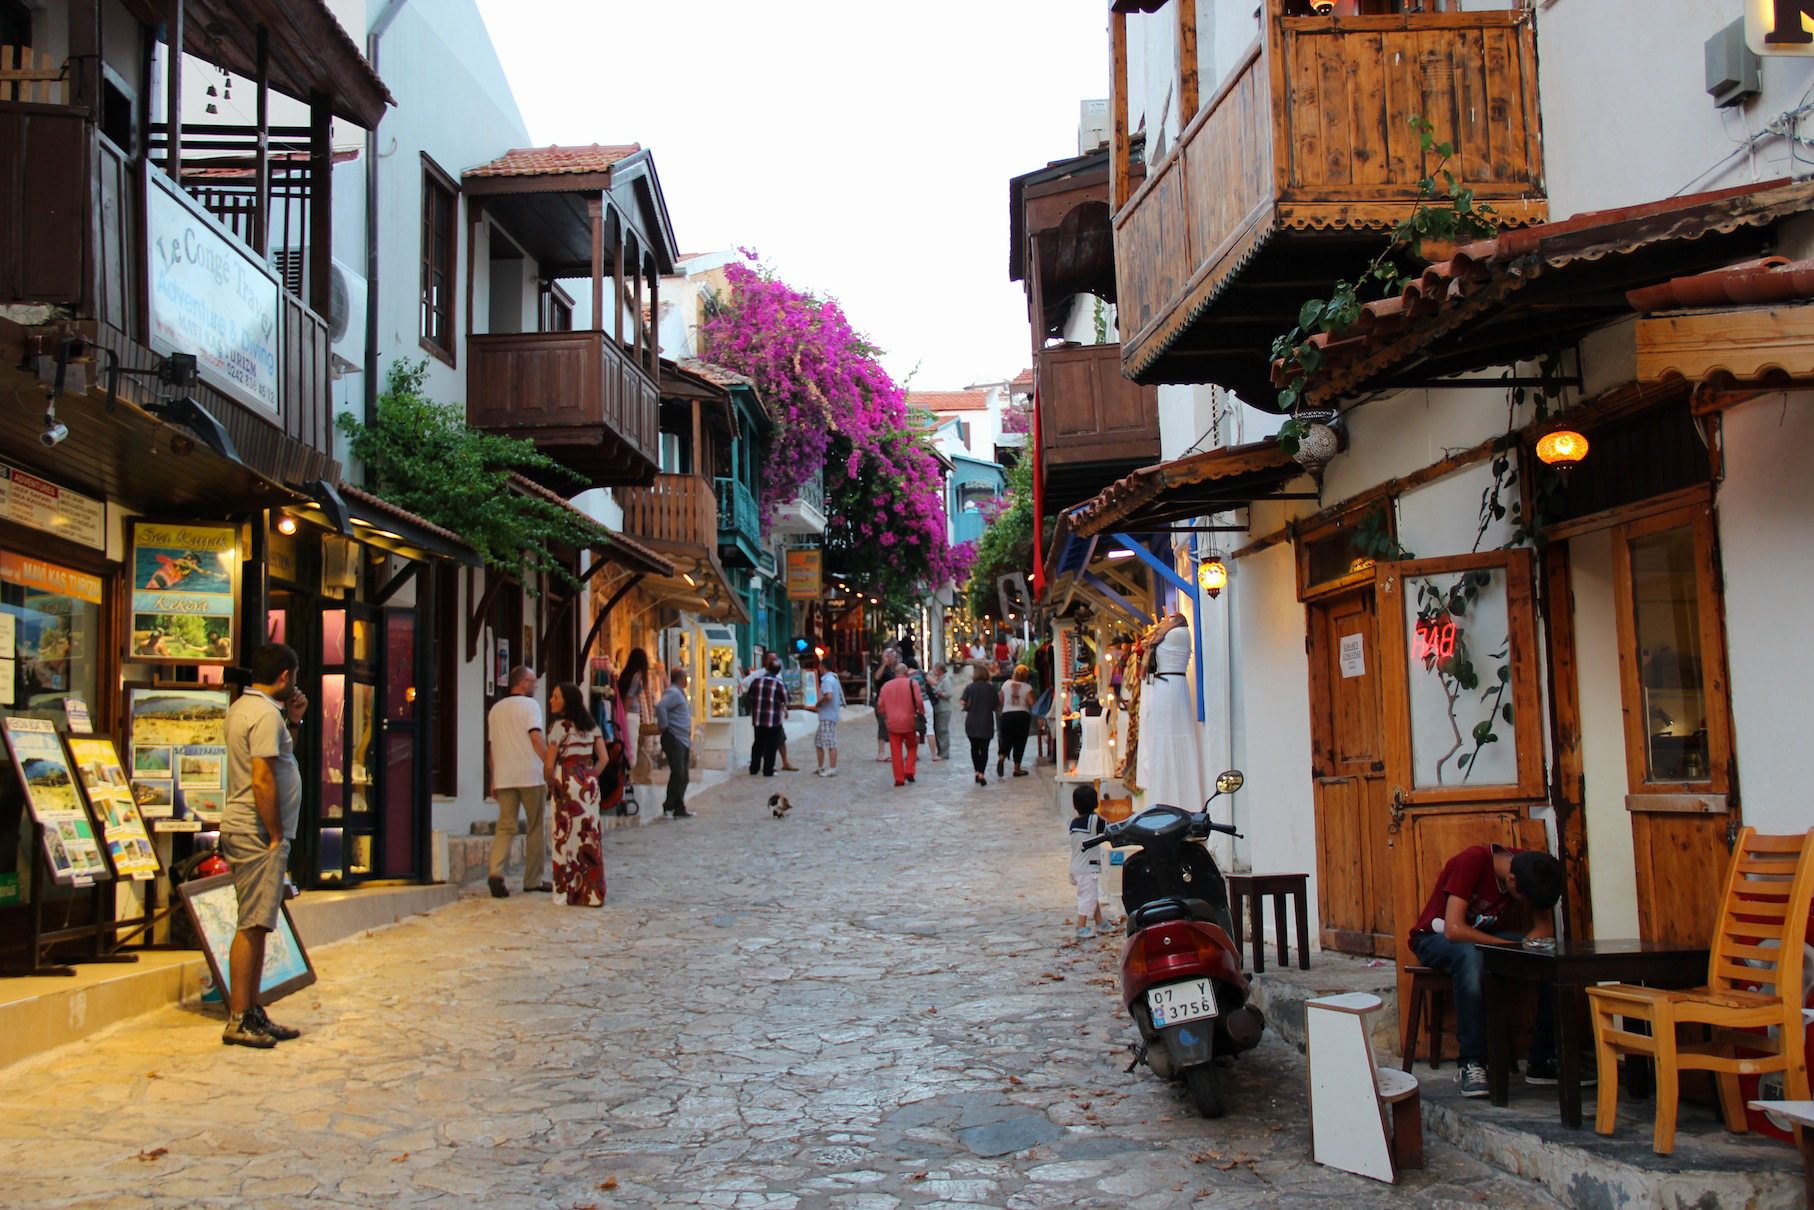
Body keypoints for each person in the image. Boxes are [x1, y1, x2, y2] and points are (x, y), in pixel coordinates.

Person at [1408, 843, 1566, 1098]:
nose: (1526, 905)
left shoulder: (1533, 868)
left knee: (1547, 954)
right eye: (1525, 901)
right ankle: (1472, 1063)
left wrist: (1524, 948)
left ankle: (1542, 1059)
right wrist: (1507, 948)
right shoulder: (1473, 860)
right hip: (1433, 938)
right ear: (1511, 880)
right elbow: (1454, 930)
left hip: (1481, 939)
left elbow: (1544, 930)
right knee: (1471, 955)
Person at [219, 642, 309, 1048]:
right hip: (256, 833)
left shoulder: (247, 708)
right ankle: (240, 1017)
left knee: (258, 923)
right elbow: (262, 778)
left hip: (248, 829)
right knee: (253, 925)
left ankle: (252, 1010)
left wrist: (294, 721)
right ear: (285, 676)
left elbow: (279, 759)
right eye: (295, 676)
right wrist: (274, 834)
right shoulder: (263, 715)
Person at [487, 665, 550, 899]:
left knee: (505, 826)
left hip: (505, 776)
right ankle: (533, 880)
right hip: (530, 774)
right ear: (524, 683)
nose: (535, 686)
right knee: (535, 827)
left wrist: (493, 777)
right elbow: (536, 738)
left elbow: (492, 748)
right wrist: (551, 766)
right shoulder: (531, 706)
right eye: (533, 682)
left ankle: (496, 872)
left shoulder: (495, 709)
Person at [544, 682, 607, 907]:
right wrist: (589, 776)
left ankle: (566, 892)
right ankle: (591, 894)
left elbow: (549, 764)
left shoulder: (558, 727)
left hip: (566, 781)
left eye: (556, 697)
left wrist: (551, 783)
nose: (552, 700)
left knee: (564, 836)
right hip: (588, 785)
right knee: (589, 835)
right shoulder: (592, 726)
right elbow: (604, 758)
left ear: (567, 701)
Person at [1135, 614, 1204, 811]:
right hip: (1170, 688)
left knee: (1167, 741)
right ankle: (1170, 800)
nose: (1165, 620)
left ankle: (1169, 802)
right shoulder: (1170, 634)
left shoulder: (1173, 634)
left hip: (1168, 689)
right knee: (1166, 741)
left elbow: (1144, 669)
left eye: (1169, 618)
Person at [1068, 784, 1109, 939]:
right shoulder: (1095, 821)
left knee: (1090, 894)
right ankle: (1081, 926)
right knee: (1086, 898)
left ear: (1075, 805)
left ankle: (1100, 922)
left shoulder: (1074, 823)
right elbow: (1110, 828)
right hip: (1087, 868)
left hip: (1076, 866)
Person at [654, 667, 695, 818]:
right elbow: (661, 706)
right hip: (674, 737)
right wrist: (664, 725)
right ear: (682, 679)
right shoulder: (673, 693)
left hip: (682, 738)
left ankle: (679, 806)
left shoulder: (679, 693)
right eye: (686, 678)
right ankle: (669, 806)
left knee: (684, 775)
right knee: (678, 773)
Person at [876, 663, 924, 787]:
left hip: (892, 722)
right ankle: (909, 770)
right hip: (909, 721)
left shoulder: (886, 686)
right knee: (912, 746)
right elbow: (919, 701)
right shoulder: (912, 684)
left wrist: (886, 716)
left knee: (896, 751)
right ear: (906, 672)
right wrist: (921, 712)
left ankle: (899, 778)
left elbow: (880, 705)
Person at [959, 661, 1002, 787]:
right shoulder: (991, 688)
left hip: (972, 722)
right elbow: (996, 705)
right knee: (984, 749)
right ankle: (982, 773)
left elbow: (962, 702)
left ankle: (977, 771)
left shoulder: (970, 687)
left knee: (974, 748)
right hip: (986, 722)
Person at [747, 655, 790, 777]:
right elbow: (786, 699)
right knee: (771, 745)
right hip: (774, 719)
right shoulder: (779, 684)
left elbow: (750, 697)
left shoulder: (757, 681)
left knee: (758, 743)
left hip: (758, 718)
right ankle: (768, 770)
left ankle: (754, 768)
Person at [618, 648, 652, 784]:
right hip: (631, 714)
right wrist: (624, 715)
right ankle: (629, 775)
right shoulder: (637, 676)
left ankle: (627, 774)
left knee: (626, 743)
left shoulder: (627, 674)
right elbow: (630, 696)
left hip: (628, 712)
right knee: (631, 744)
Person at [999, 664, 1035, 778]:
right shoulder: (1027, 687)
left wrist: (1001, 711)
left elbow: (1000, 700)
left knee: (1006, 738)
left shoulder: (1006, 684)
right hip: (1022, 715)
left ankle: (1001, 757)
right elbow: (1032, 703)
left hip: (1007, 714)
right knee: (1020, 741)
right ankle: (1017, 768)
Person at [813, 659, 844, 777]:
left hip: (828, 715)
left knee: (830, 742)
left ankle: (832, 767)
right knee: (819, 741)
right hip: (827, 715)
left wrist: (818, 703)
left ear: (822, 666)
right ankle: (820, 766)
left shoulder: (827, 680)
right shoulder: (833, 679)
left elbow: (828, 696)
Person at [872, 646, 900, 761]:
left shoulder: (891, 669)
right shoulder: (881, 667)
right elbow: (877, 677)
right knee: (882, 726)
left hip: (890, 702)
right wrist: (884, 664)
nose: (895, 659)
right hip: (881, 702)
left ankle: (891, 751)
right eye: (894, 657)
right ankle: (881, 752)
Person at [930, 663, 954, 762]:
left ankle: (944, 752)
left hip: (944, 709)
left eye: (935, 669)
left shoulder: (946, 680)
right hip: (937, 709)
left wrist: (938, 694)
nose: (934, 671)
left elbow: (949, 694)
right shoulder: (936, 680)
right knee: (937, 731)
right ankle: (940, 751)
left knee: (943, 730)